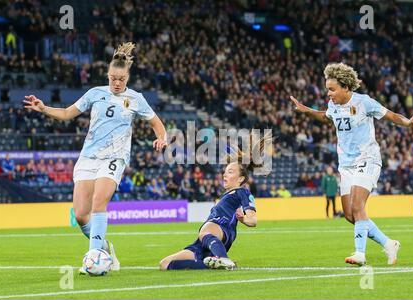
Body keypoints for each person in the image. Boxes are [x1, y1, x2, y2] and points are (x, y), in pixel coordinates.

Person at [23, 42, 167, 273]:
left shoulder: (136, 98)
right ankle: (103, 248)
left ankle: (94, 259)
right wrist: (44, 109)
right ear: (108, 75)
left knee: (99, 202)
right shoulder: (95, 93)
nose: (117, 83)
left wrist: (162, 137)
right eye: (113, 78)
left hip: (115, 156)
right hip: (89, 157)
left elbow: (156, 123)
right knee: (80, 215)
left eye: (121, 79)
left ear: (127, 77)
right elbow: (68, 113)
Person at [289, 62, 413, 266]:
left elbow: (391, 115)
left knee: (357, 206)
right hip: (345, 164)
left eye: (332, 89)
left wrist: (407, 122)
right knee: (349, 214)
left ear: (346, 87)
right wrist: (307, 110)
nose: (328, 94)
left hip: (367, 159)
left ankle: (360, 253)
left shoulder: (364, 102)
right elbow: (328, 118)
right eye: (327, 89)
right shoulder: (333, 105)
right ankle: (388, 243)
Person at [159, 137, 267, 270]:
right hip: (202, 243)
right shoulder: (223, 196)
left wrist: (244, 218)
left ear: (241, 179)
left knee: (206, 229)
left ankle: (224, 259)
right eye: (225, 172)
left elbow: (253, 220)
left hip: (221, 230)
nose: (224, 175)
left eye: (230, 172)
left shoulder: (242, 192)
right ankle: (212, 264)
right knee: (165, 264)